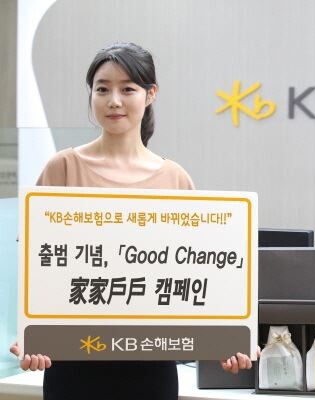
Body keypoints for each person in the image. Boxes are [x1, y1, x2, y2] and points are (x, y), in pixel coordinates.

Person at [9, 42, 253, 399]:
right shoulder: (62, 167)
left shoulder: (174, 178)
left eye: (127, 89)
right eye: (102, 89)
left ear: (150, 94)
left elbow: (196, 273)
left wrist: (225, 339)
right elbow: (37, 266)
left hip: (151, 366)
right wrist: (31, 333)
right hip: (73, 362)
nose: (114, 101)